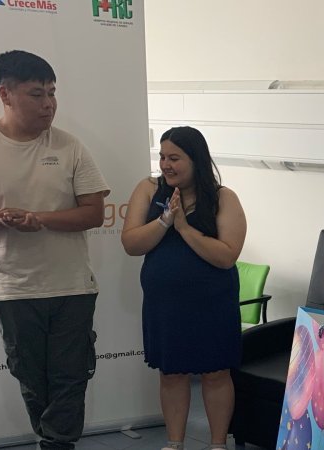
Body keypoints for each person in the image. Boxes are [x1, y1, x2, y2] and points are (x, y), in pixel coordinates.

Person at [0, 50, 110, 449]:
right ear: (5, 94)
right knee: (31, 378)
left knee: (71, 377)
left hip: (72, 286)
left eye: (52, 93)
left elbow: (94, 213)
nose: (49, 104)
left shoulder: (70, 147)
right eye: (37, 94)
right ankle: (52, 440)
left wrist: (39, 218)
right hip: (12, 288)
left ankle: (56, 444)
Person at [121, 126, 247, 450]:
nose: (166, 164)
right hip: (164, 303)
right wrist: (164, 221)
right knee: (171, 373)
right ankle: (174, 443)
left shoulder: (223, 198)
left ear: (196, 160)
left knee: (216, 373)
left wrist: (184, 228)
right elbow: (132, 244)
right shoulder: (148, 189)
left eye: (174, 158)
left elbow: (226, 256)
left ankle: (217, 444)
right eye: (162, 157)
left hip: (213, 301)